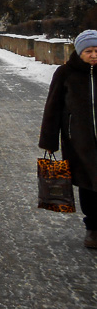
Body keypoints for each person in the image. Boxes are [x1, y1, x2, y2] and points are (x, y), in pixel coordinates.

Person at [39, 29, 97, 249]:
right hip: (79, 143)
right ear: (79, 52)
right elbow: (53, 108)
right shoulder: (66, 74)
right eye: (89, 51)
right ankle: (92, 229)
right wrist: (49, 142)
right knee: (88, 187)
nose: (93, 55)